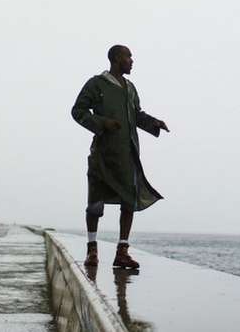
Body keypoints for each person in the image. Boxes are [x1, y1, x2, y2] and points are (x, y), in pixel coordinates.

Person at [71, 44, 169, 269]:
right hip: (103, 154)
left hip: (127, 154)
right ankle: (92, 250)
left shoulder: (131, 88)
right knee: (95, 203)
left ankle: (122, 251)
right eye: (128, 56)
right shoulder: (96, 84)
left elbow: (136, 115)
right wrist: (102, 123)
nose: (132, 61)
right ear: (116, 58)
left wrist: (154, 122)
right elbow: (78, 111)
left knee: (128, 200)